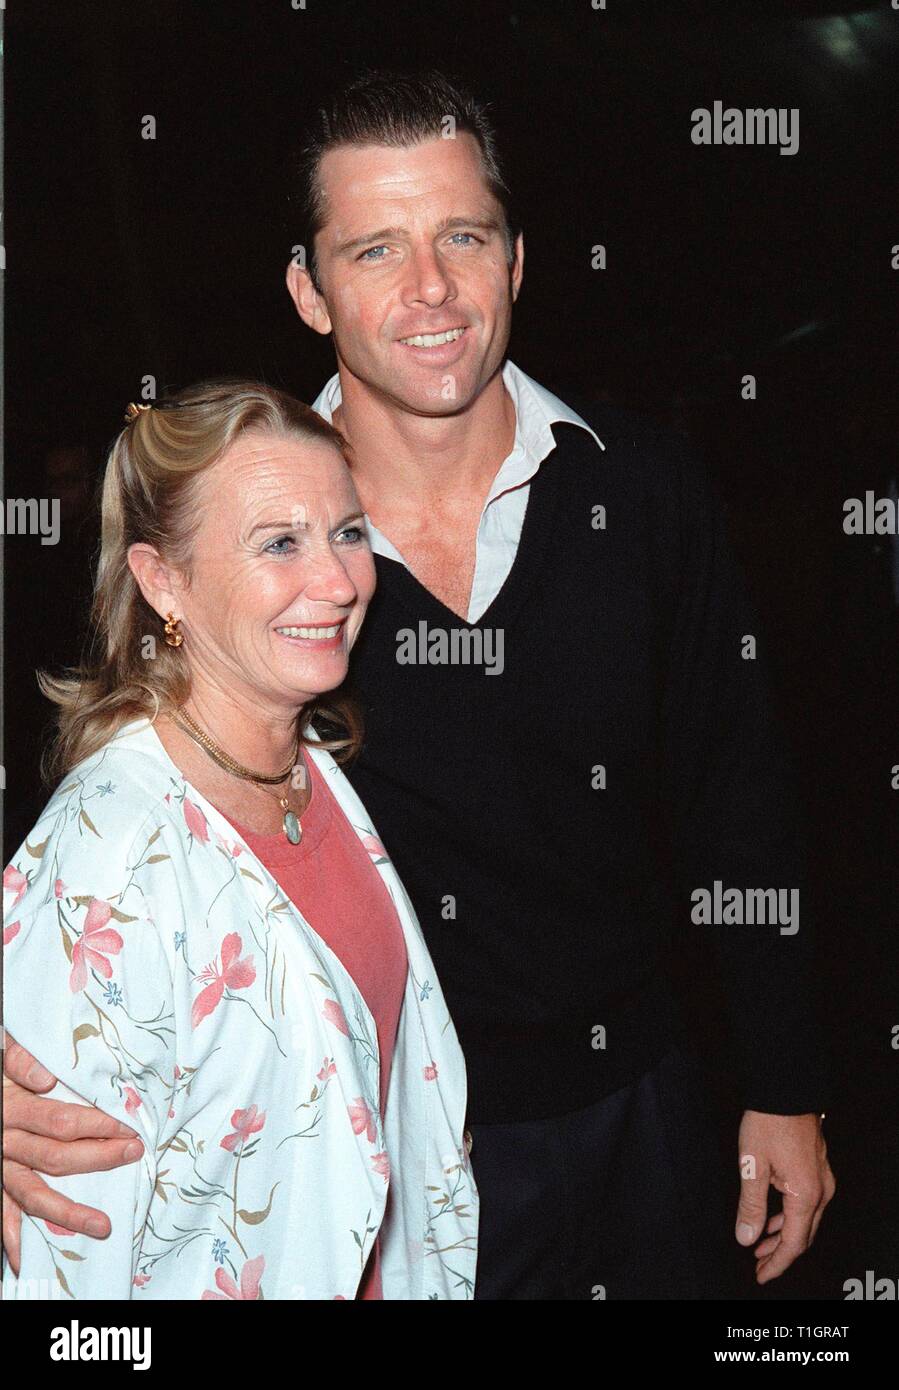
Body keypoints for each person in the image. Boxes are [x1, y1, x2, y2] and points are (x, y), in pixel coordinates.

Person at [3, 69, 834, 1299]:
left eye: (462, 237)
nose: (429, 288)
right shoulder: (269, 546)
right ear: (308, 288)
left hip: (653, 1108)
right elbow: (113, 820)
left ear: (515, 260)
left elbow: (738, 792)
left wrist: (786, 1081)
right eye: (375, 248)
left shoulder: (644, 492)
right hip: (382, 1150)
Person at [1, 381, 477, 1300]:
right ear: (161, 580)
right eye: (278, 544)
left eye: (347, 531)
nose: (339, 582)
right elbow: (68, 1266)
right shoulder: (110, 861)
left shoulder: (316, 769)